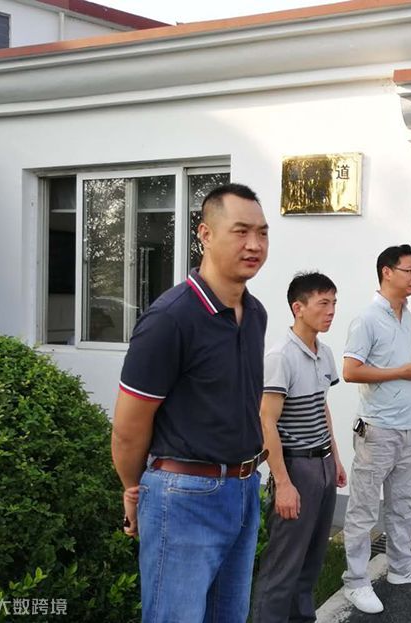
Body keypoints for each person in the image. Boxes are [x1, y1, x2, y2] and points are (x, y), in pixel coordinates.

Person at [111, 182, 270, 622]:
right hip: (183, 497)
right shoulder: (170, 318)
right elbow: (128, 428)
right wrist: (133, 488)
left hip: (243, 489)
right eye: (241, 231)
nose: (254, 244)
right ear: (205, 234)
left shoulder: (255, 314)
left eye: (262, 233)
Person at [341, 244, 411, 614]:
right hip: (377, 430)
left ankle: (401, 566)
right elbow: (350, 371)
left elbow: (406, 355)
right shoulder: (366, 319)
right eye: (409, 271)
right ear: (387, 272)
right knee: (363, 510)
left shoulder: (406, 314)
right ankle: (356, 582)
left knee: (403, 504)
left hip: (407, 427)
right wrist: (401, 372)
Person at [252, 272, 348, 623]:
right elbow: (267, 422)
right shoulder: (281, 356)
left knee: (311, 560)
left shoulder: (325, 354)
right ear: (298, 308)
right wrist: (283, 483)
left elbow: (321, 408)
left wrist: (335, 459)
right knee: (284, 564)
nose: (331, 311)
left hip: (322, 465)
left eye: (334, 303)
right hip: (295, 468)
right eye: (323, 303)